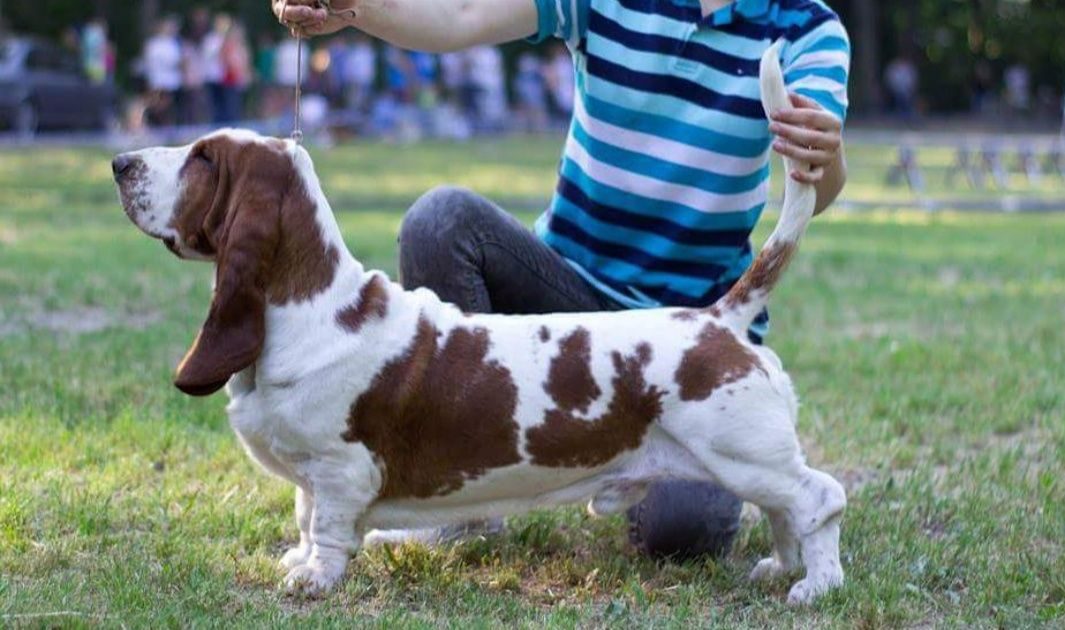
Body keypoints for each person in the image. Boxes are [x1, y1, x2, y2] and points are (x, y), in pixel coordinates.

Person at [274, 0, 850, 560]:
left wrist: (825, 155)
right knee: (441, 222)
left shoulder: (810, 28)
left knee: (683, 536)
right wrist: (354, 7)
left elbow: (817, 184)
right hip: (563, 300)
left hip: (689, 339)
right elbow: (462, 15)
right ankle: (462, 505)